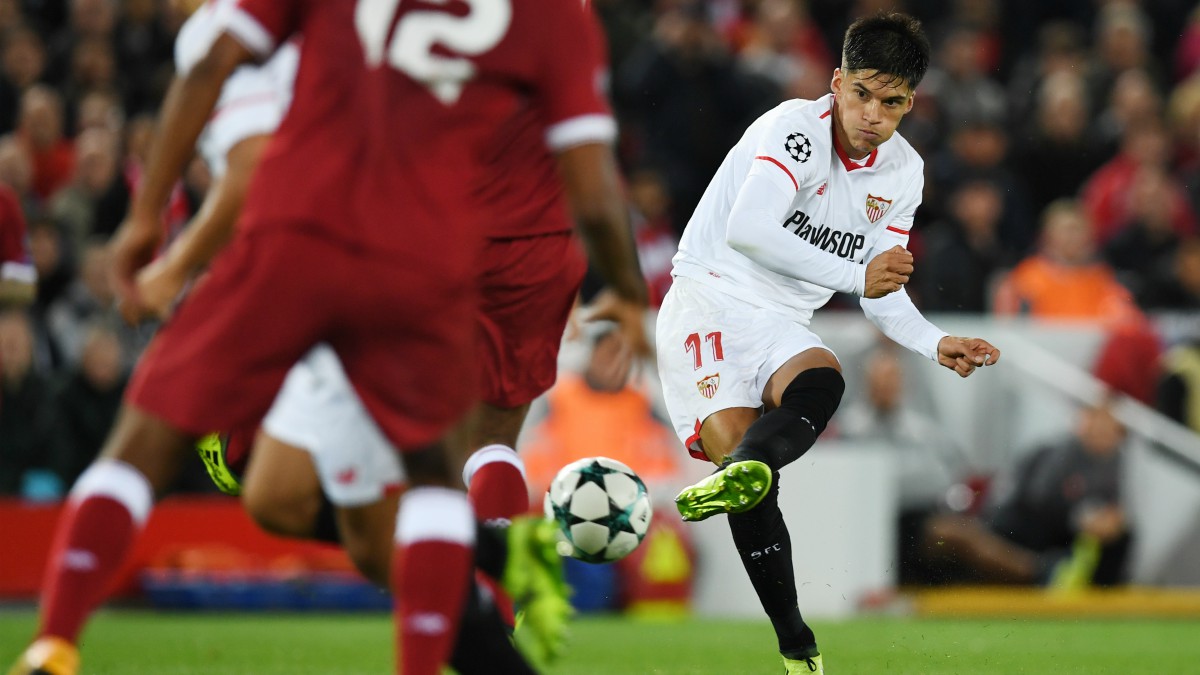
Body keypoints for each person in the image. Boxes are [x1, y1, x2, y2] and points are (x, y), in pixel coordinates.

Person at [8, 0, 642, 673]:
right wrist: (628, 288)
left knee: (151, 443)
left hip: (310, 234)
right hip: (426, 256)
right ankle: (495, 554)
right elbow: (593, 177)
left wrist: (149, 227)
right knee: (332, 497)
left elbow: (225, 89)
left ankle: (56, 638)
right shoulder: (560, 18)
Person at [656, 13, 1000, 674]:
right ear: (837, 82)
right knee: (757, 490)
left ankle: (749, 464)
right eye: (863, 92)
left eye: (892, 100)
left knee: (825, 375)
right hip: (708, 298)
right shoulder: (794, 128)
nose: (873, 113)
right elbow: (750, 229)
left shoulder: (904, 173)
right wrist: (853, 275)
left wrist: (933, 342)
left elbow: (883, 289)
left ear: (911, 102)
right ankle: (796, 642)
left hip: (782, 315)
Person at [920, 404, 1132, 588]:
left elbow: (1112, 510)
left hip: (1058, 541)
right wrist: (1083, 519)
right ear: (1086, 422)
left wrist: (1108, 521)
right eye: (1100, 424)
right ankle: (1043, 574)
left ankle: (1070, 581)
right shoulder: (1060, 453)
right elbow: (1039, 499)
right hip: (1017, 528)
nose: (1105, 434)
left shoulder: (1114, 464)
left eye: (1111, 428)